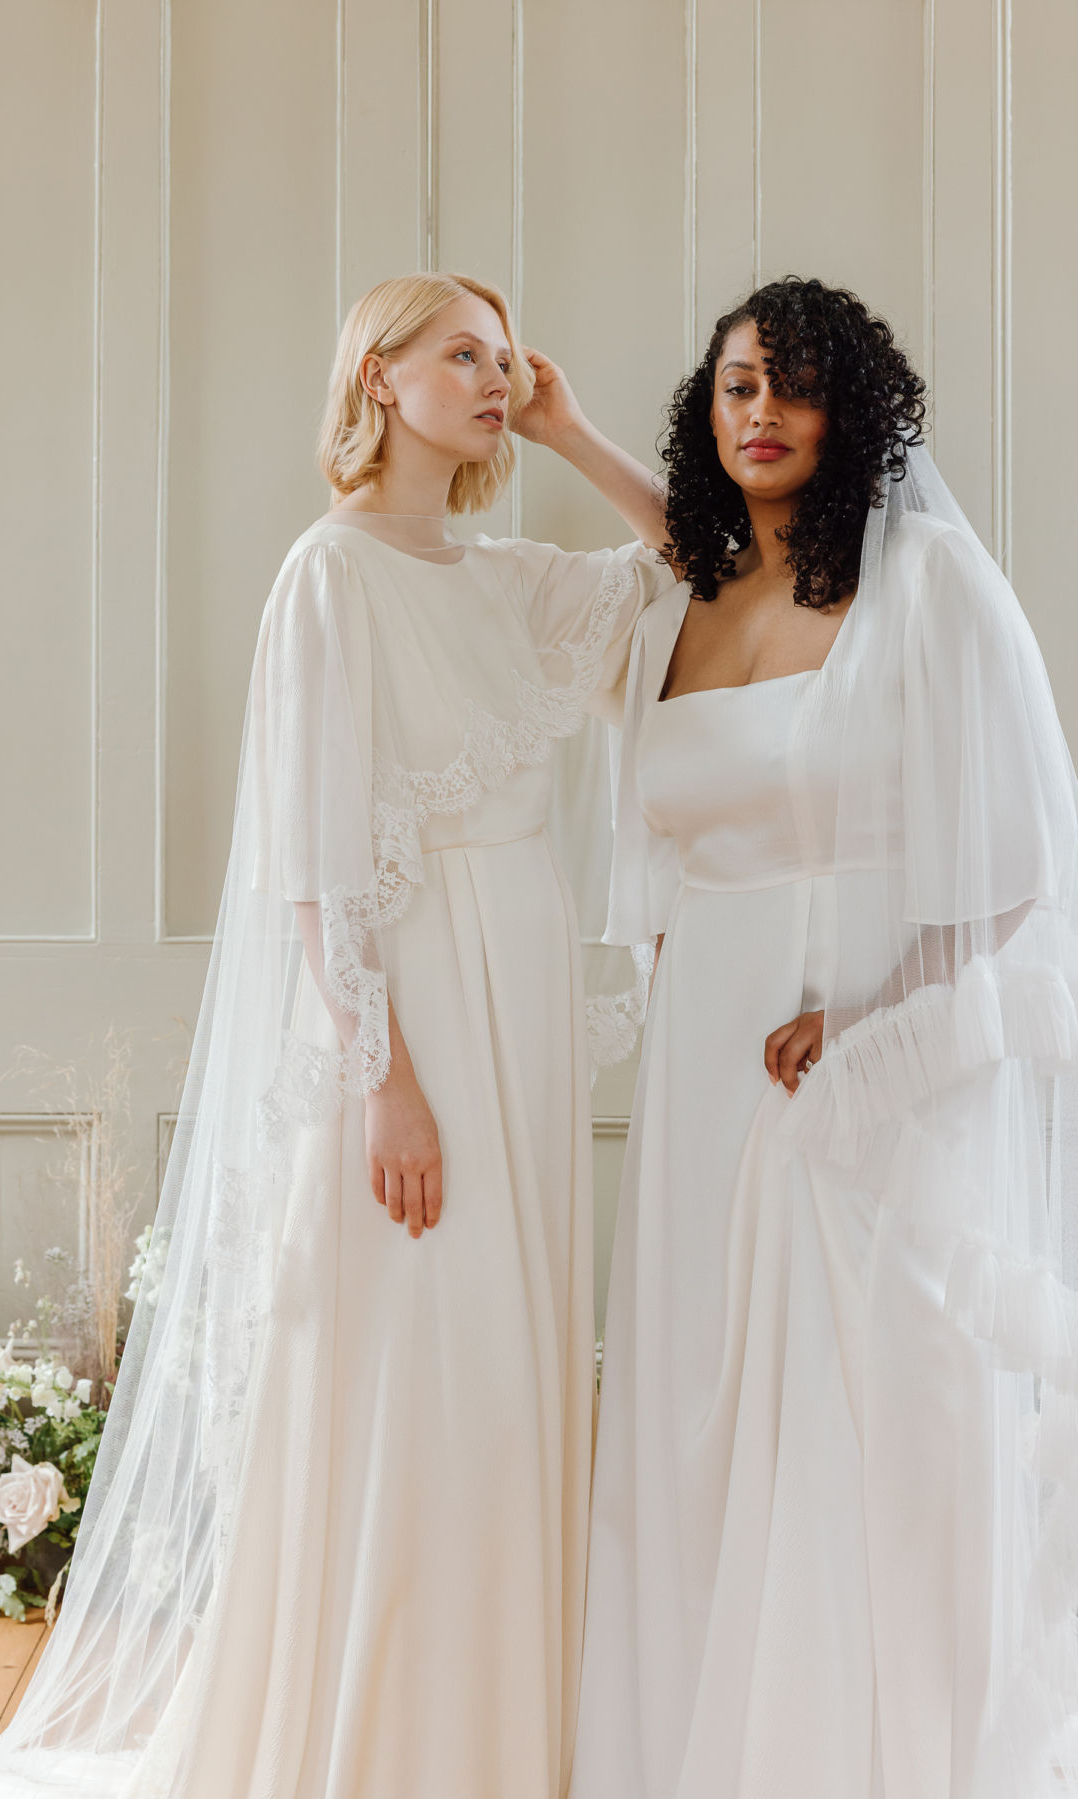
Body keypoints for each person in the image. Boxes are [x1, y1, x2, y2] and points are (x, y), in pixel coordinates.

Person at [0, 273, 671, 1799]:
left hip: (516, 995)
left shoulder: (507, 579)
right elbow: (313, 865)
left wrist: (571, 432)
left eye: (509, 361)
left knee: (505, 1365)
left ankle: (498, 1734)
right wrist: (387, 1083)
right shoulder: (329, 577)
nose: (496, 380)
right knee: (407, 1357)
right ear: (379, 377)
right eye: (465, 354)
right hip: (415, 1014)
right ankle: (376, 1738)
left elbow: (691, 555)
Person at [570, 276, 1078, 1799]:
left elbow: (1019, 856)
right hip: (703, 1054)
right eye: (738, 385)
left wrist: (878, 1020)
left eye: (793, 385)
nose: (763, 412)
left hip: (857, 1051)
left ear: (849, 409)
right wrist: (560, 429)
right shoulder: (681, 594)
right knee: (698, 1396)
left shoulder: (930, 583)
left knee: (870, 1398)